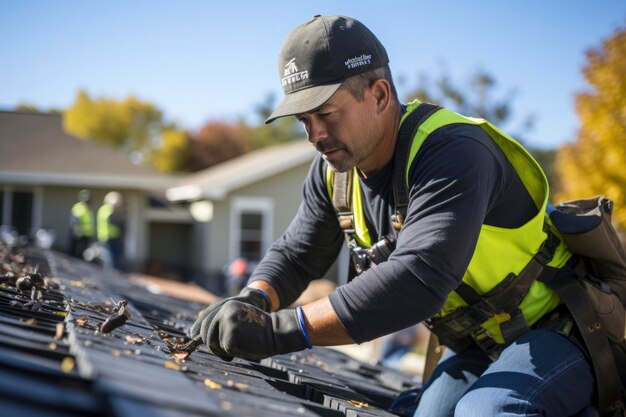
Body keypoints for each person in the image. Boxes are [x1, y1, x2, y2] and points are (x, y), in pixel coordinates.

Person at [189, 15, 597, 416]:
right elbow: (299, 253)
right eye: (304, 121)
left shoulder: (454, 152)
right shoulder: (336, 172)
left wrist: (278, 331)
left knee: (488, 411)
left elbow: (419, 277)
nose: (315, 136)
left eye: (326, 114)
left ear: (380, 95)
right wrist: (251, 300)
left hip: (563, 331)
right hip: (482, 348)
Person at [97, 191, 125, 270]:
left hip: (112, 237)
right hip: (109, 237)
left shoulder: (104, 209)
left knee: (113, 258)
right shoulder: (108, 210)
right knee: (110, 259)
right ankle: (112, 274)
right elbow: (114, 221)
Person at [68, 189, 95, 259]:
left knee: (84, 256)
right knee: (77, 255)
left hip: (87, 236)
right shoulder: (79, 208)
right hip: (80, 236)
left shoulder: (88, 209)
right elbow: (75, 223)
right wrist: (78, 232)